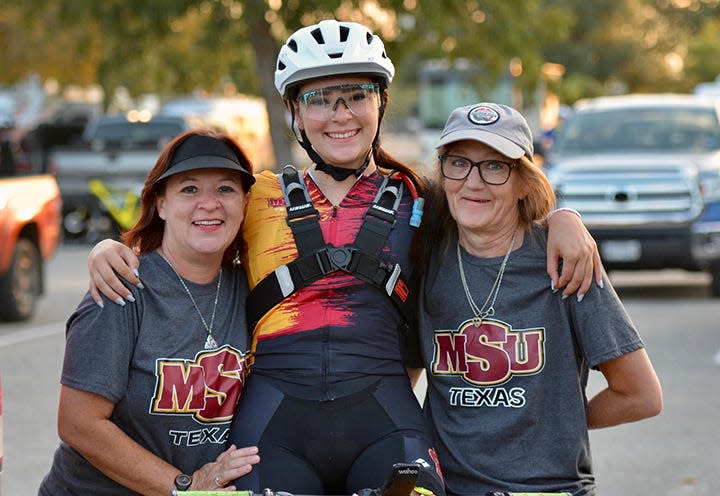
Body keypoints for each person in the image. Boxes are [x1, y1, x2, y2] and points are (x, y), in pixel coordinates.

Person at [85, 20, 602, 496]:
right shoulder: (257, 197)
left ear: (380, 103)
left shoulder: (421, 197)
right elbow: (193, 227)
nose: (340, 115)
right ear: (295, 113)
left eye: (356, 96)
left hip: (383, 416)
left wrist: (563, 218)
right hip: (274, 422)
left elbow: (496, 205)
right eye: (319, 100)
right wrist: (112, 249)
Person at [413, 102, 663, 496]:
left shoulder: (566, 262)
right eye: (458, 163)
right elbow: (402, 384)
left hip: (548, 489)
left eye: (495, 166)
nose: (473, 182)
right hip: (448, 489)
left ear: (524, 182)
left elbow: (641, 395)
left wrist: (558, 422)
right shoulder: (425, 258)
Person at [38, 130, 260, 495]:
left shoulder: (253, 289)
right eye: (189, 189)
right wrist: (185, 487)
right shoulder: (122, 287)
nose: (209, 203)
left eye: (225, 189)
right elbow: (78, 423)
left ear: (245, 202)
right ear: (161, 204)